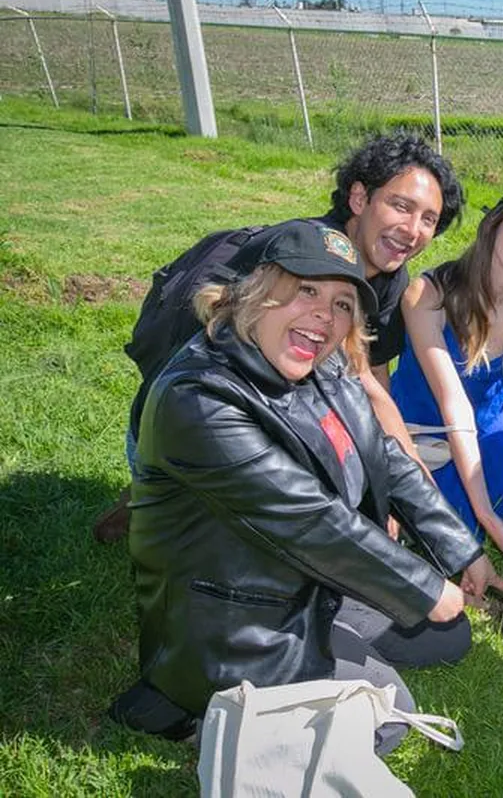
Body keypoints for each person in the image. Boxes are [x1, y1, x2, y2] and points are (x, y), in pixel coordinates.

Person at [109, 220, 503, 749]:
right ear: (257, 290)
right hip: (230, 616)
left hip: (299, 582)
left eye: (343, 302)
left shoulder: (318, 364)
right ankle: (184, 708)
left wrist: (459, 551)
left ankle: (323, 647)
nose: (326, 315)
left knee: (445, 638)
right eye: (306, 290)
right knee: (385, 719)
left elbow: (386, 456)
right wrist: (424, 585)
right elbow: (311, 520)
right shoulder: (198, 399)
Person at [93, 130, 462, 542]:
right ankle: (158, 496)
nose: (413, 229)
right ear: (360, 198)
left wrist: (403, 473)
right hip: (184, 424)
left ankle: (166, 502)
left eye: (428, 219)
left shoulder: (388, 277)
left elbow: (371, 380)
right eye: (400, 206)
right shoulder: (299, 258)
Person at [390, 181, 503, 584]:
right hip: (431, 428)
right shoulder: (429, 294)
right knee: (451, 517)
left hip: (489, 423)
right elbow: (451, 402)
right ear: (495, 222)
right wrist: (486, 514)